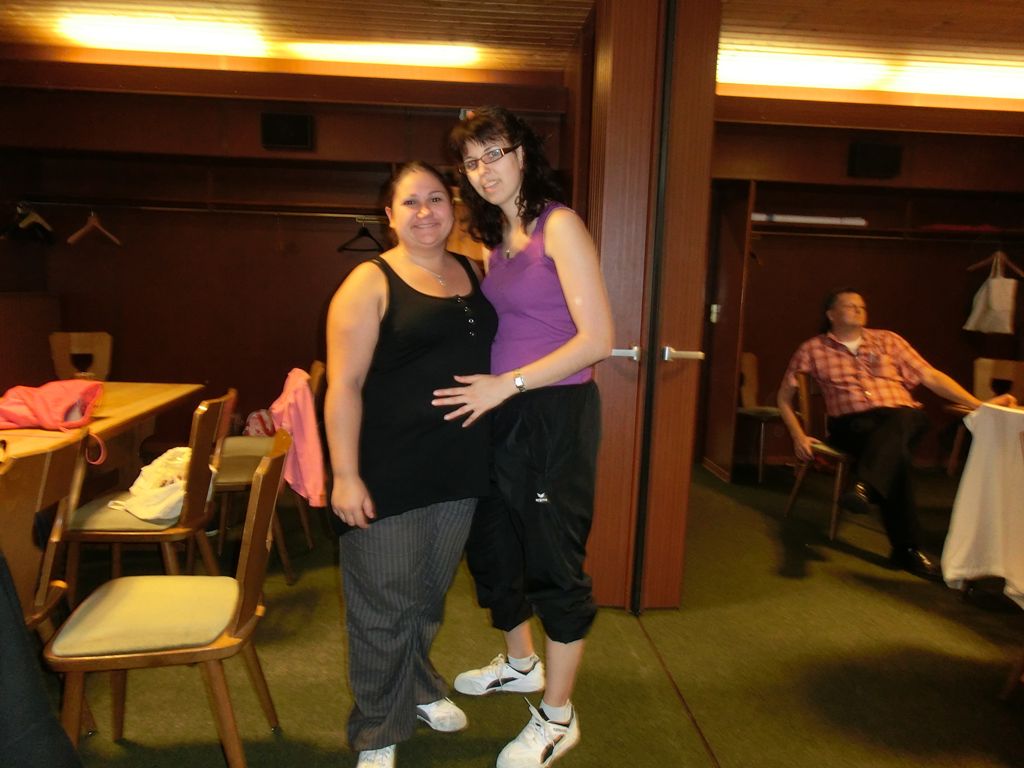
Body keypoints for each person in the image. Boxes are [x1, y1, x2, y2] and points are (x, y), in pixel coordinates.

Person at [433, 106, 613, 768]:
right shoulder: (495, 240)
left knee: (552, 561)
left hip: (553, 414)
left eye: (494, 153)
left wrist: (505, 386)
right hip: (503, 412)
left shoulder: (559, 226)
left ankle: (559, 717)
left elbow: (598, 340)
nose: (484, 171)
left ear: (524, 154)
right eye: (471, 162)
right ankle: (521, 663)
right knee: (495, 546)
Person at [324, 161, 498, 768]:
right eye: (410, 202)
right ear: (389, 215)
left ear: (453, 208)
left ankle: (419, 687)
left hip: (458, 464)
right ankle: (377, 728)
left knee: (426, 596)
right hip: (388, 468)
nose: (425, 212)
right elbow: (343, 386)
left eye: (436, 199)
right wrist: (345, 475)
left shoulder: (474, 270)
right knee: (383, 606)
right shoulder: (368, 281)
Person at [777, 288, 1016, 580]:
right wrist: (799, 436)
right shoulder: (812, 349)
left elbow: (930, 375)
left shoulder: (888, 340)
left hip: (903, 417)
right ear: (831, 315)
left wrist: (977, 405)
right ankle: (903, 545)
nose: (858, 309)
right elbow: (783, 398)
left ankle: (868, 489)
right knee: (894, 458)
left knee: (903, 418)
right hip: (852, 425)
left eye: (862, 306)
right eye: (849, 305)